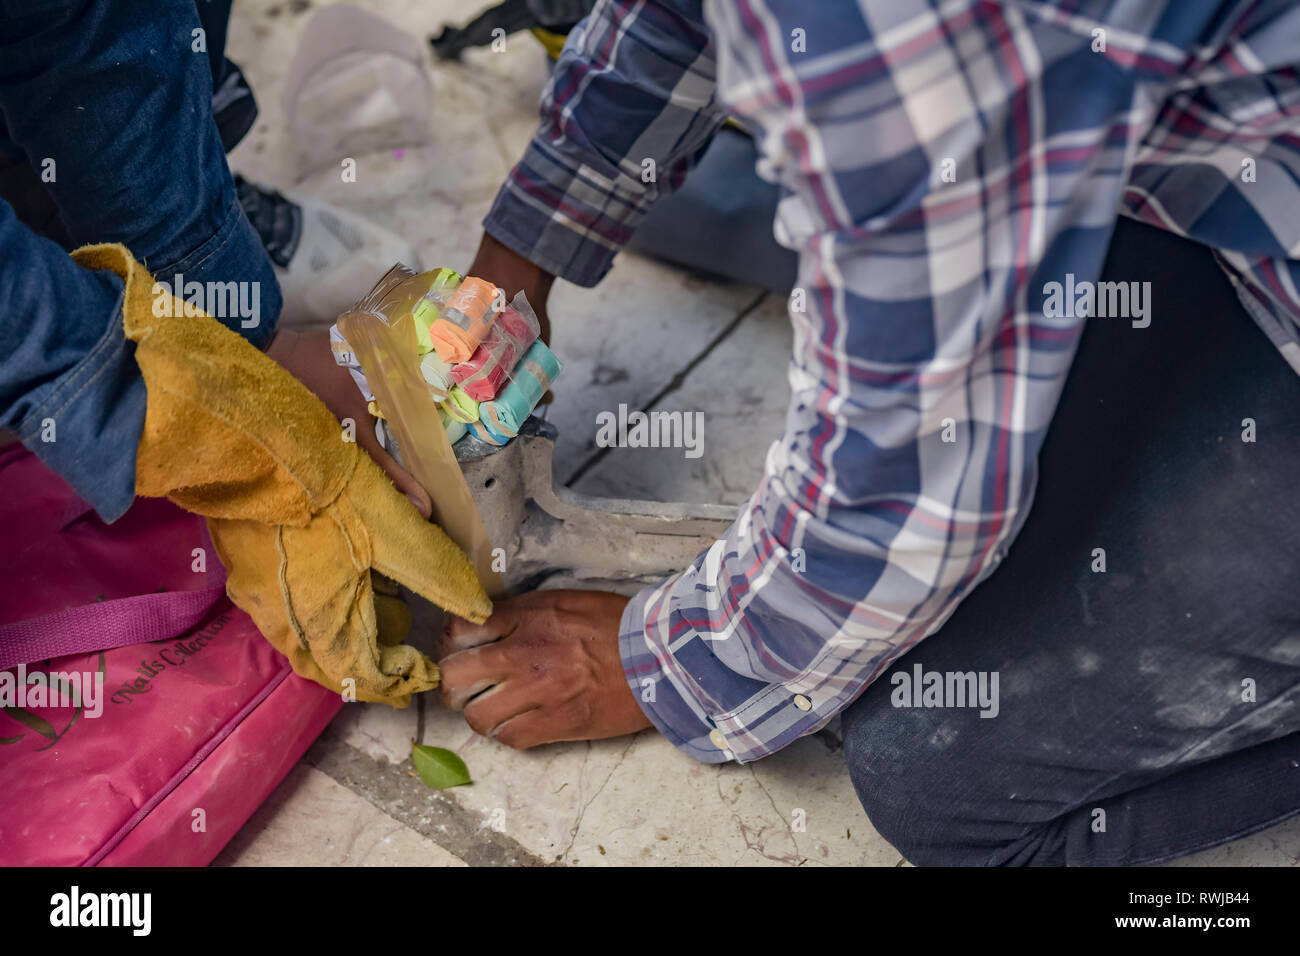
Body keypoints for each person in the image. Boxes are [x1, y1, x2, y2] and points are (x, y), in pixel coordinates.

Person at [435, 0, 1300, 865]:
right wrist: (504, 287)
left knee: (941, 778)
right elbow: (672, 21)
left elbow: (909, 497)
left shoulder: (891, 33)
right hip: (1224, 171)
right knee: (692, 199)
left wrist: (671, 667)